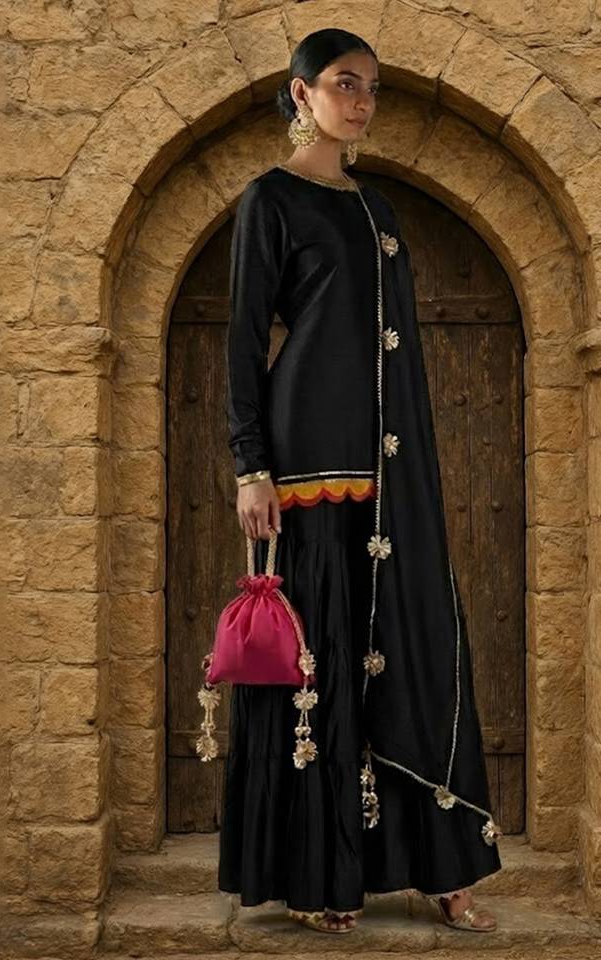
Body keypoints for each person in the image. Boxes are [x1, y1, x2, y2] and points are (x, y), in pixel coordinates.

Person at [216, 27, 503, 935]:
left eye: (372, 87)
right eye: (345, 83)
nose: (363, 102)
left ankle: (439, 864)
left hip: (388, 467)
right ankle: (317, 877)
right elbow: (243, 341)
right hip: (305, 467)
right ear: (301, 92)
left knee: (409, 649)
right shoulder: (270, 200)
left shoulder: (379, 211)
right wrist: (250, 465)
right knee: (320, 664)